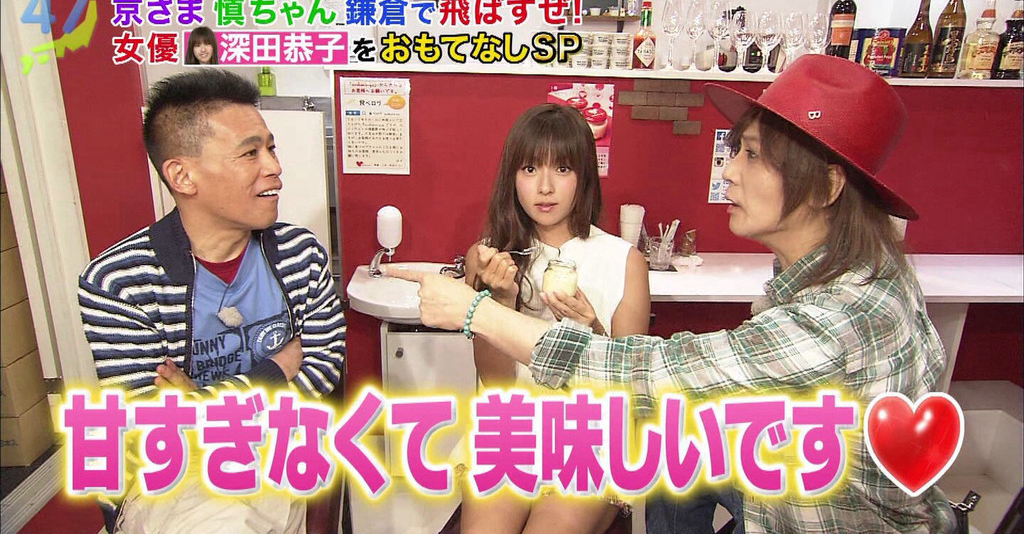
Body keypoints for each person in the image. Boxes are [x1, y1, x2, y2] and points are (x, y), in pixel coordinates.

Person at [389, 55, 958, 533]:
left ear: (827, 186)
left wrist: (475, 311)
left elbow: (647, 380)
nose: (727, 172)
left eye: (751, 154)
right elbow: (504, 382)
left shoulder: (836, 321)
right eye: (737, 150)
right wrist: (498, 302)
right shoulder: (846, 272)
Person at [78, 69, 346, 533]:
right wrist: (275, 370)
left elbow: (323, 368)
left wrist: (200, 404)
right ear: (182, 175)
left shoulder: (301, 255)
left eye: (271, 148)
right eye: (250, 153)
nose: (274, 167)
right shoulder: (119, 281)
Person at [457, 103, 651, 534]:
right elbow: (496, 380)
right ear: (512, 177)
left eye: (562, 169)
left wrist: (593, 329)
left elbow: (633, 387)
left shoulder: (624, 260)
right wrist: (500, 301)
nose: (545, 187)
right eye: (529, 169)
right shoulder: (489, 256)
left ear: (584, 176)